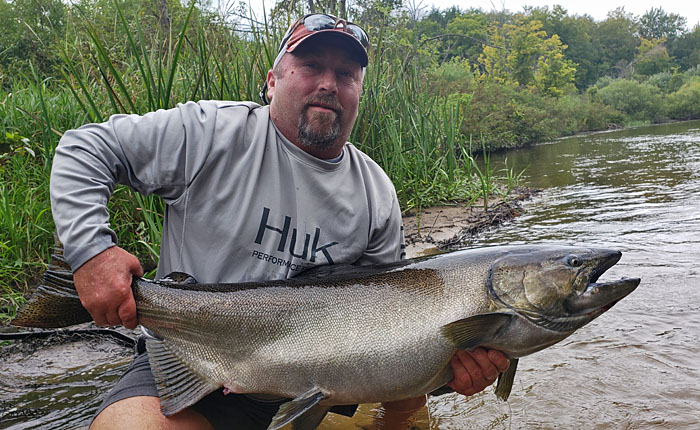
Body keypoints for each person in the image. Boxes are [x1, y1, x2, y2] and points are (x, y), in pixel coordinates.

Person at [50, 13, 510, 430]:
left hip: (317, 381)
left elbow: (389, 321)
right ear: (272, 81)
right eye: (311, 66)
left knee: (406, 413)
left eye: (346, 74)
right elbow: (84, 149)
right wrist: (90, 252)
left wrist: (447, 370)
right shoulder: (210, 132)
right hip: (196, 357)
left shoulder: (376, 193)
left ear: (358, 93)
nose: (329, 83)